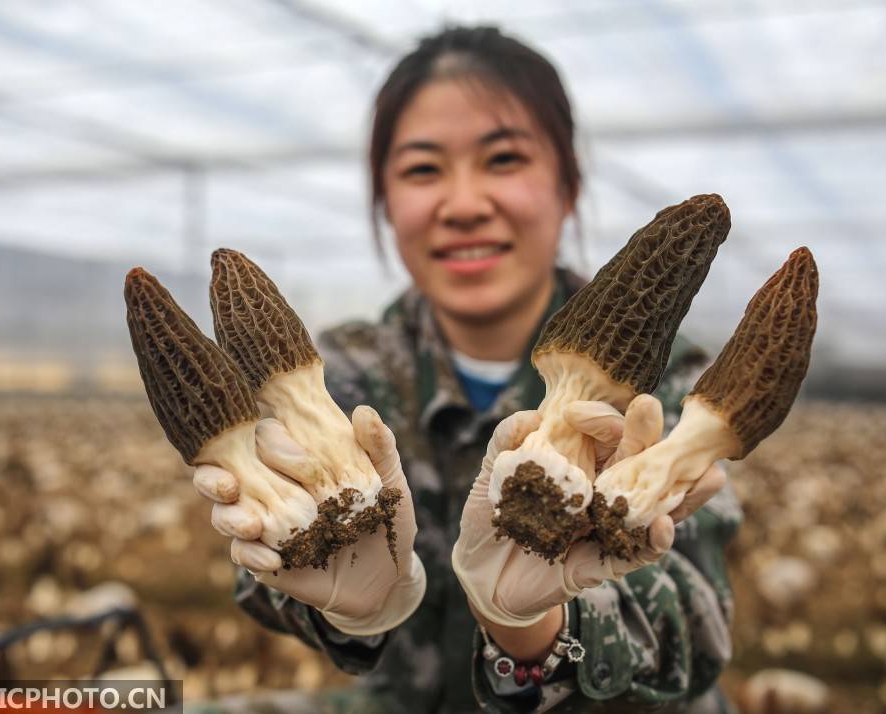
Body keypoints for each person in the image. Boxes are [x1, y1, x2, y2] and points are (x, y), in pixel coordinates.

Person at [192, 25, 742, 714]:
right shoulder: (343, 373)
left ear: (568, 184)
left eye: (503, 159)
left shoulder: (666, 391)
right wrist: (344, 606)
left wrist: (531, 629)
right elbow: (259, 564)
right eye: (423, 170)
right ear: (385, 202)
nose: (463, 204)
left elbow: (701, 631)